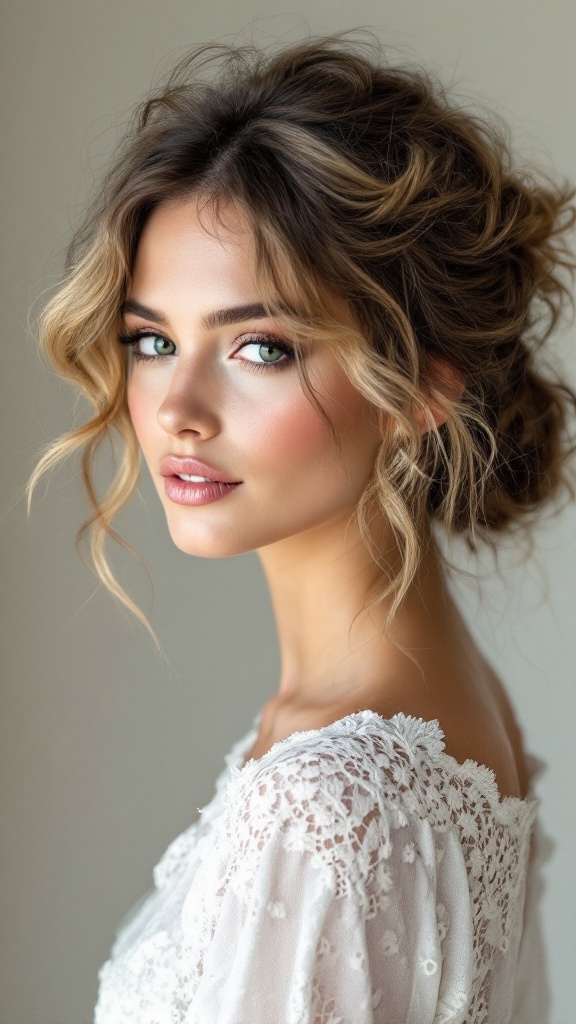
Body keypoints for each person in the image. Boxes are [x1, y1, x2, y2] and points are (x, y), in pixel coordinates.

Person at [27, 30, 576, 1024]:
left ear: (417, 385)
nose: (177, 407)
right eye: (152, 339)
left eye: (260, 347)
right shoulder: (440, 714)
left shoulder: (333, 808)